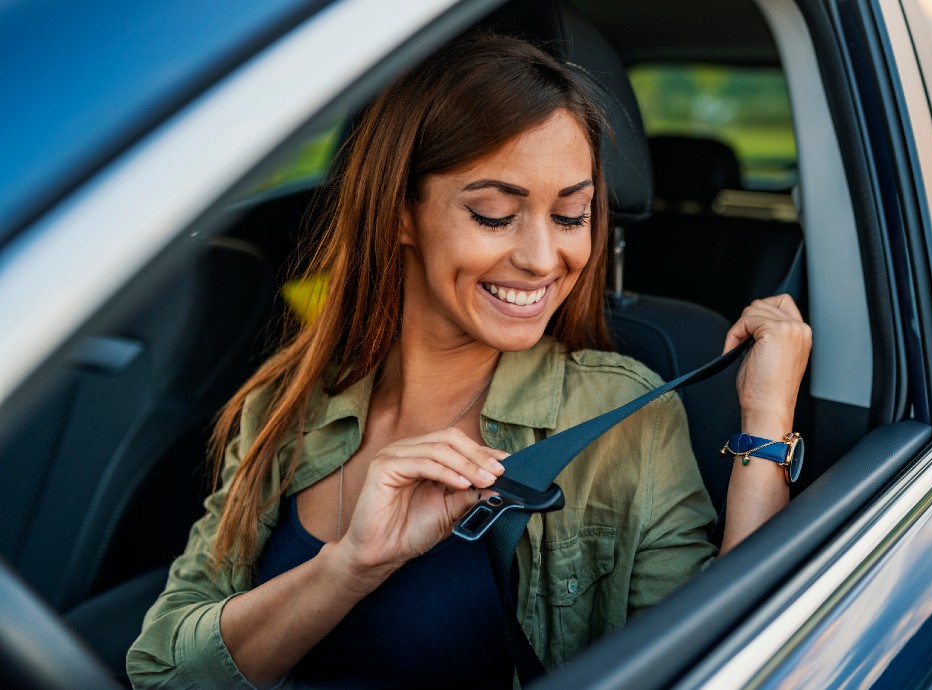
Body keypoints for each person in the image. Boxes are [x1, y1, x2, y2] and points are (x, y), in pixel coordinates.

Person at [127, 32, 810, 689]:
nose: (544, 259)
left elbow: (723, 660)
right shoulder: (284, 404)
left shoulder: (620, 416)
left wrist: (765, 425)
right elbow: (163, 669)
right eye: (492, 214)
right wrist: (349, 568)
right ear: (398, 212)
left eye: (572, 216)